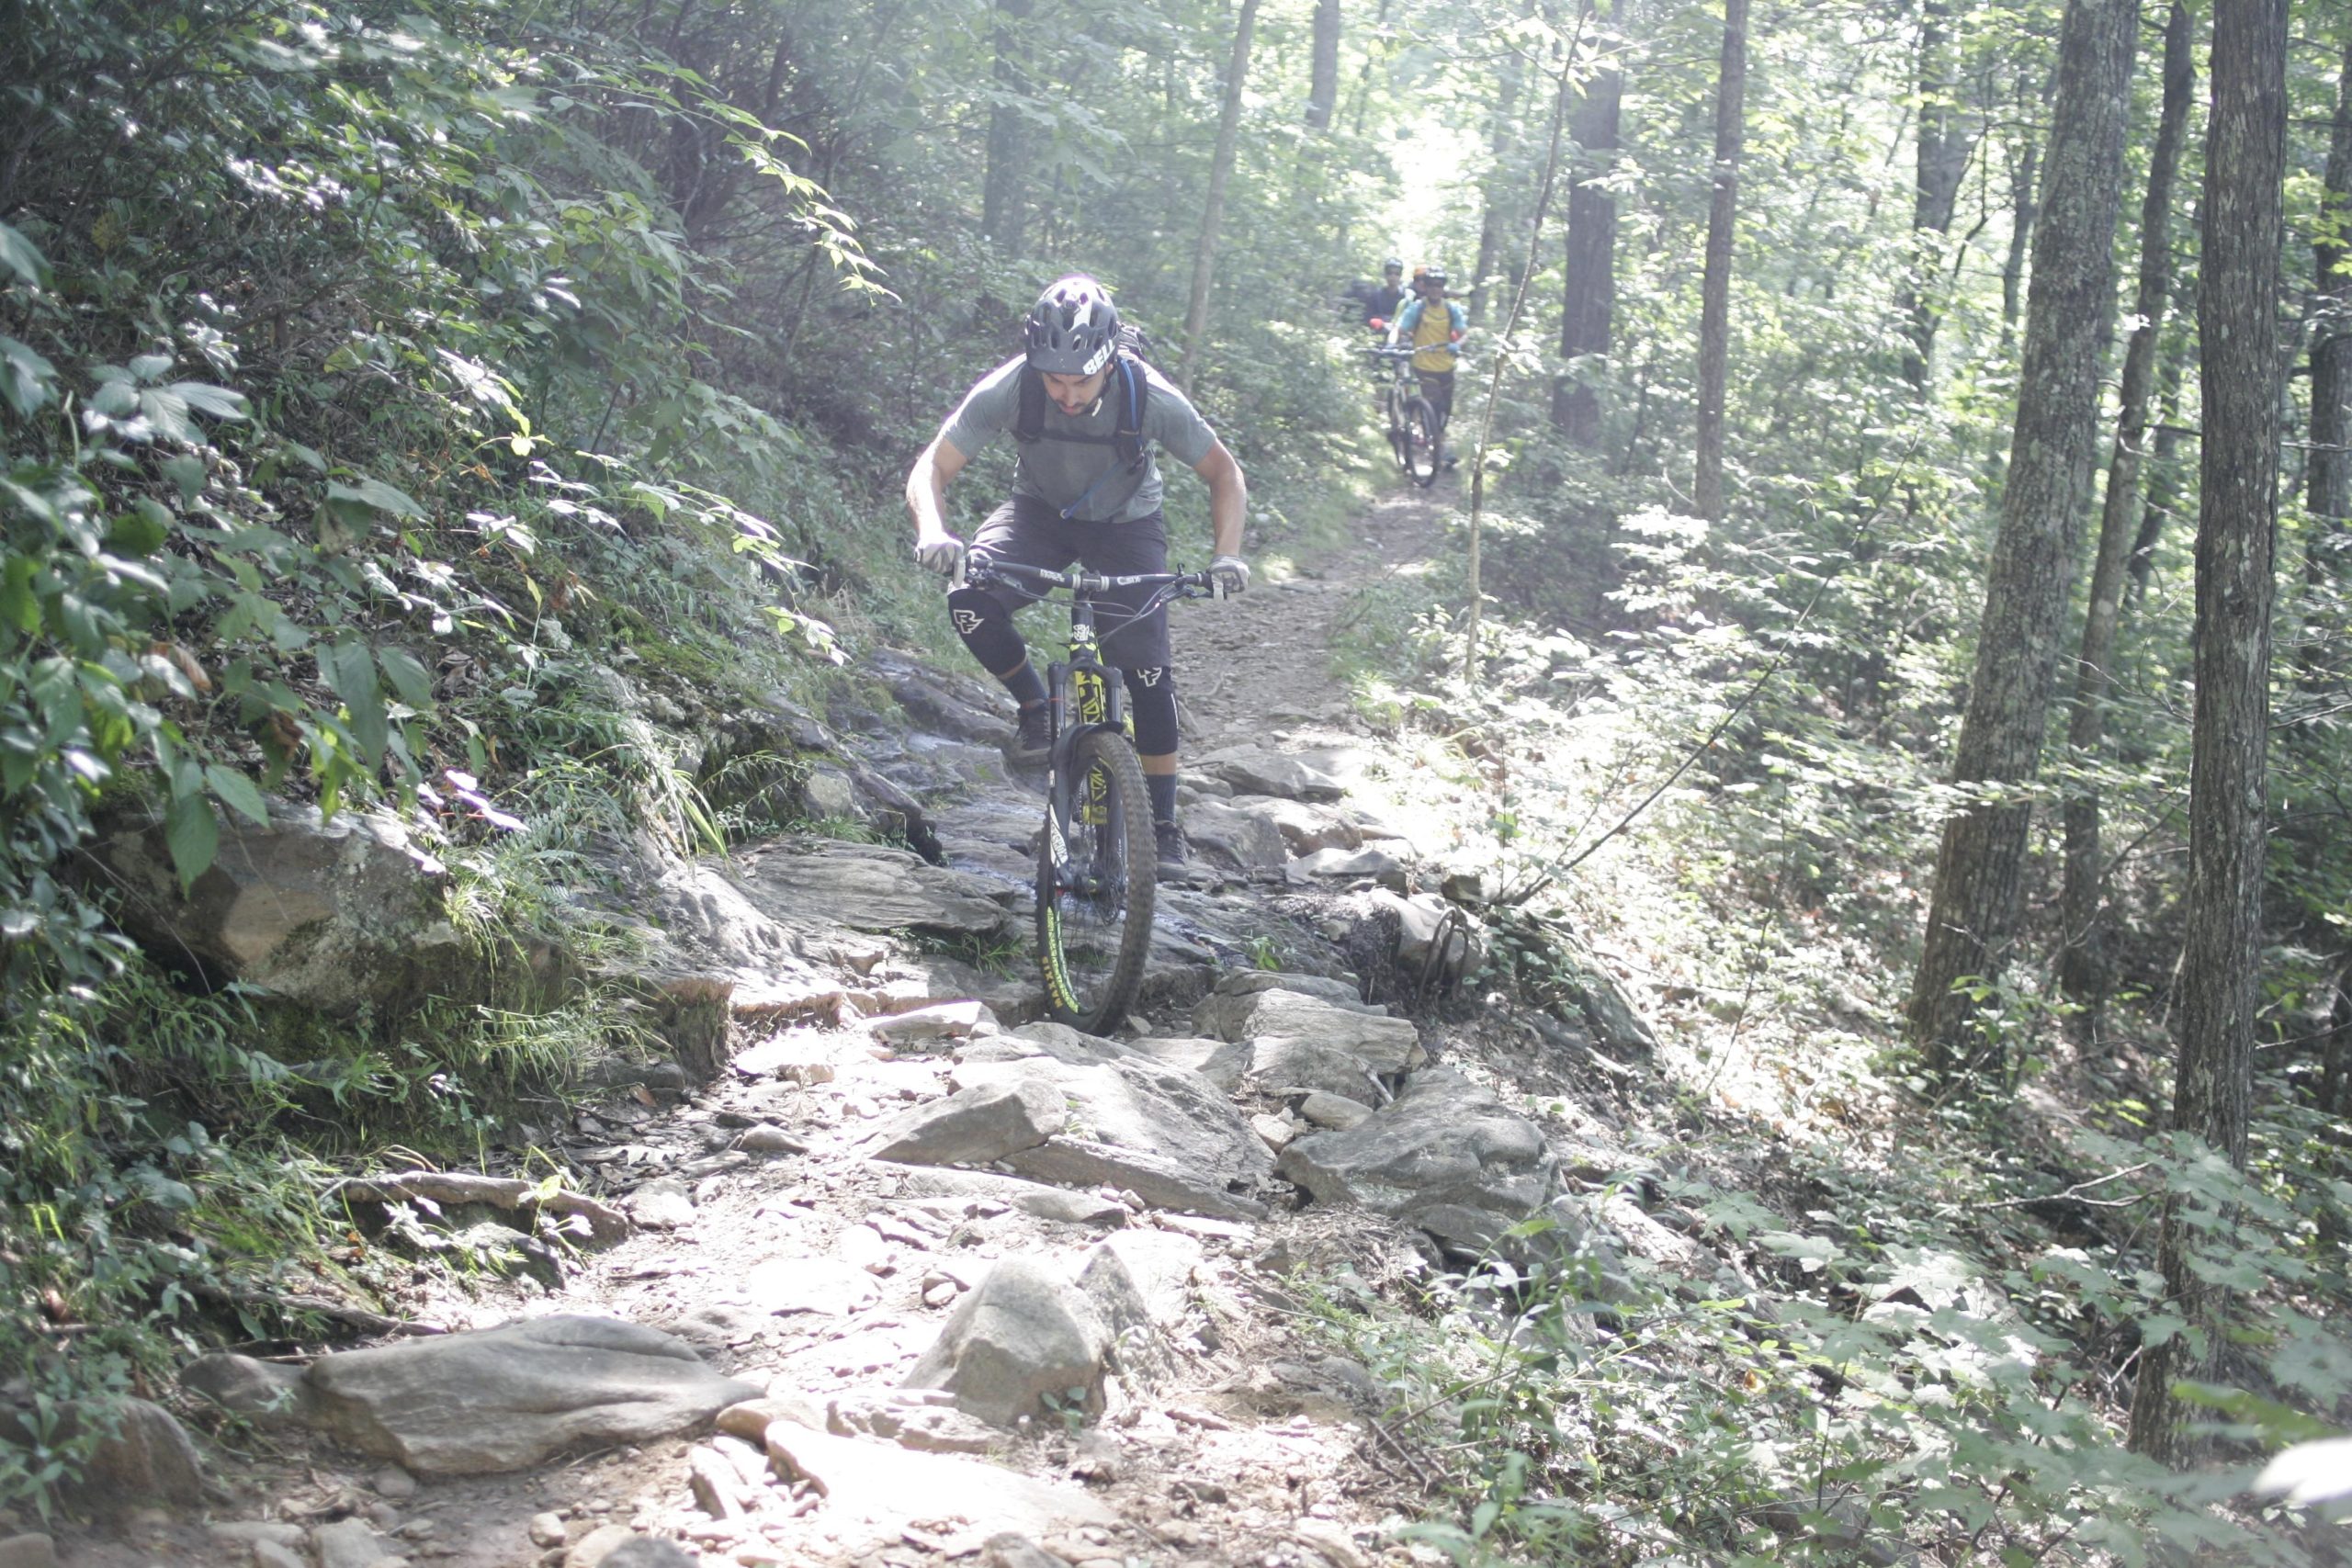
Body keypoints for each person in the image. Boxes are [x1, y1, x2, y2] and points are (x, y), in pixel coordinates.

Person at [906, 275, 1250, 877]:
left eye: (1081, 380)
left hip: (1127, 525)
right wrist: (933, 530)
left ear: (1110, 360)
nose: (1065, 393)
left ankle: (1164, 827)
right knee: (969, 598)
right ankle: (1036, 706)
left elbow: (1224, 473)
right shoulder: (1012, 387)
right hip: (1039, 513)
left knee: (1147, 673)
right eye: (1054, 378)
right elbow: (932, 464)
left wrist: (1227, 554)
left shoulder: (1151, 396)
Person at [1390, 266, 1467, 468]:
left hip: (1446, 366)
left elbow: (1464, 333)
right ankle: (1439, 449)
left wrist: (1456, 345)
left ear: (1443, 287)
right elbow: (1402, 329)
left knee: (1445, 409)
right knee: (1432, 405)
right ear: (1426, 287)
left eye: (1439, 285)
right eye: (1431, 285)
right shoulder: (1417, 308)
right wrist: (1403, 340)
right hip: (1423, 365)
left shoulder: (1451, 309)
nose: (1435, 289)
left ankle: (1436, 440)